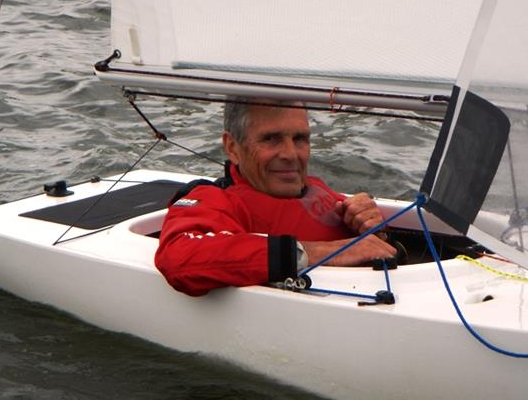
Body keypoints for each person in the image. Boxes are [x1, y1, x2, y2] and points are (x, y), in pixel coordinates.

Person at [155, 100, 398, 296]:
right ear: (232, 147)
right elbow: (180, 256)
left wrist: (375, 228)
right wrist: (312, 253)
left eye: (300, 139)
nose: (291, 154)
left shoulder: (318, 191)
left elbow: (381, 249)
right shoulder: (216, 200)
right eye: (271, 139)